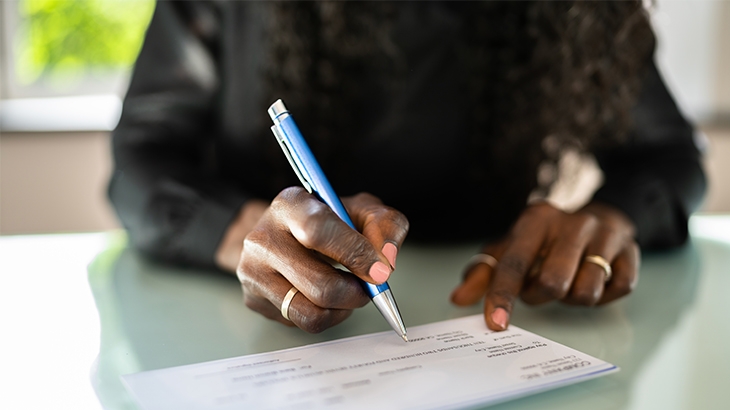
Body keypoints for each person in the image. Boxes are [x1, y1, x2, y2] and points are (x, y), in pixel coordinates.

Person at [108, 1, 706, 334]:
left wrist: (611, 215)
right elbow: (140, 157)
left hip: (482, 307)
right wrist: (245, 235)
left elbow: (671, 155)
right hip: (246, 335)